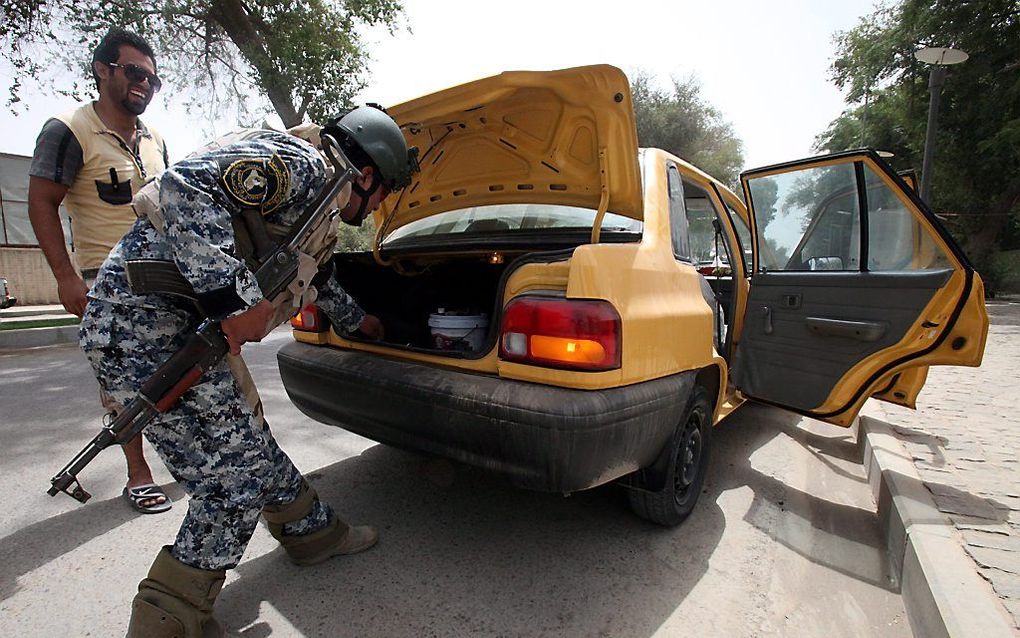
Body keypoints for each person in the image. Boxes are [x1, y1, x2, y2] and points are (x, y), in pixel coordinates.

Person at [78, 106, 417, 637]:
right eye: (383, 196)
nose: (377, 209)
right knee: (230, 486)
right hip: (145, 330)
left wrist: (364, 324)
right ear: (369, 175)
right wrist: (236, 298)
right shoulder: (304, 166)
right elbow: (182, 189)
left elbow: (317, 277)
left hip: (162, 329)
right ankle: (166, 620)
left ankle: (314, 535)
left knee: (249, 442)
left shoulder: (318, 207)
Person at [28, 27, 172, 514]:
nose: (145, 85)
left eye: (153, 79)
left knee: (184, 373)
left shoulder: (156, 138)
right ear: (103, 70)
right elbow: (42, 203)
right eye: (135, 73)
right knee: (121, 385)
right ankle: (138, 474)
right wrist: (66, 278)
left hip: (165, 276)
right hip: (105, 284)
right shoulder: (69, 128)